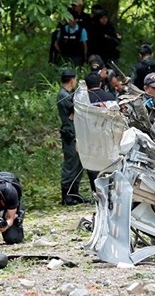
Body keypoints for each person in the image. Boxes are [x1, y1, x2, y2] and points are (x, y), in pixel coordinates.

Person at [57, 69, 89, 205]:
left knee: (79, 164)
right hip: (71, 134)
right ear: (72, 80)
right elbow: (76, 110)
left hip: (76, 132)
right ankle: (66, 195)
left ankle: (74, 193)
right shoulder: (63, 95)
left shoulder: (68, 94)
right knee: (71, 164)